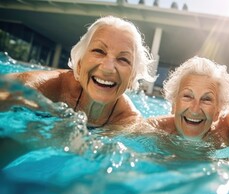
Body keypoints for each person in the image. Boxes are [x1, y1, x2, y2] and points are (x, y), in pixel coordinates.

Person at [4, 15, 154, 128]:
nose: (108, 68)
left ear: (132, 77)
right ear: (80, 63)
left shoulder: (128, 121)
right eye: (99, 51)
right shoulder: (49, 86)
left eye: (123, 59)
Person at [147, 56, 229, 147]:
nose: (195, 110)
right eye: (187, 96)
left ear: (218, 111)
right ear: (174, 104)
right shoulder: (151, 131)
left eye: (206, 99)